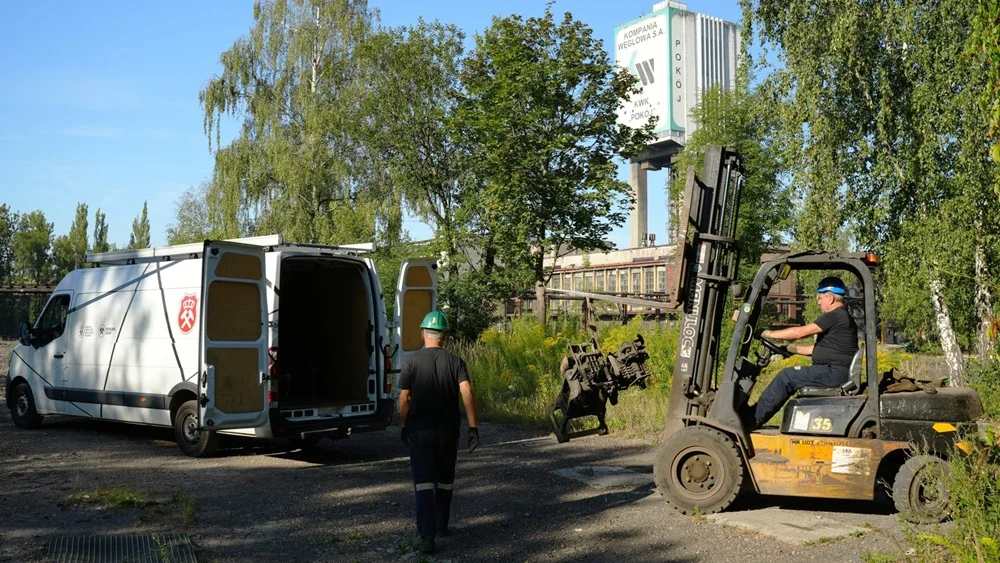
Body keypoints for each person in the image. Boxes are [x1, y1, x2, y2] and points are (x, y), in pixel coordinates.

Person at [398, 310, 479, 555]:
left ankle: (426, 538)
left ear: (424, 333)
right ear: (444, 336)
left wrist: (404, 426)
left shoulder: (411, 362)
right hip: (448, 432)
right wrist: (473, 427)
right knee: (445, 481)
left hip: (420, 432)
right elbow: (467, 393)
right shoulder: (456, 361)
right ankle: (442, 525)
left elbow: (404, 399)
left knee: (423, 484)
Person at [747, 277, 859, 429]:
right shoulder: (842, 317)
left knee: (787, 376)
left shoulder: (835, 316)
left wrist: (766, 333)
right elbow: (823, 350)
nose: (818, 302)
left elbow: (800, 332)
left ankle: (751, 420)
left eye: (820, 298)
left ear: (830, 298)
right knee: (789, 375)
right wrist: (791, 349)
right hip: (835, 370)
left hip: (833, 372)